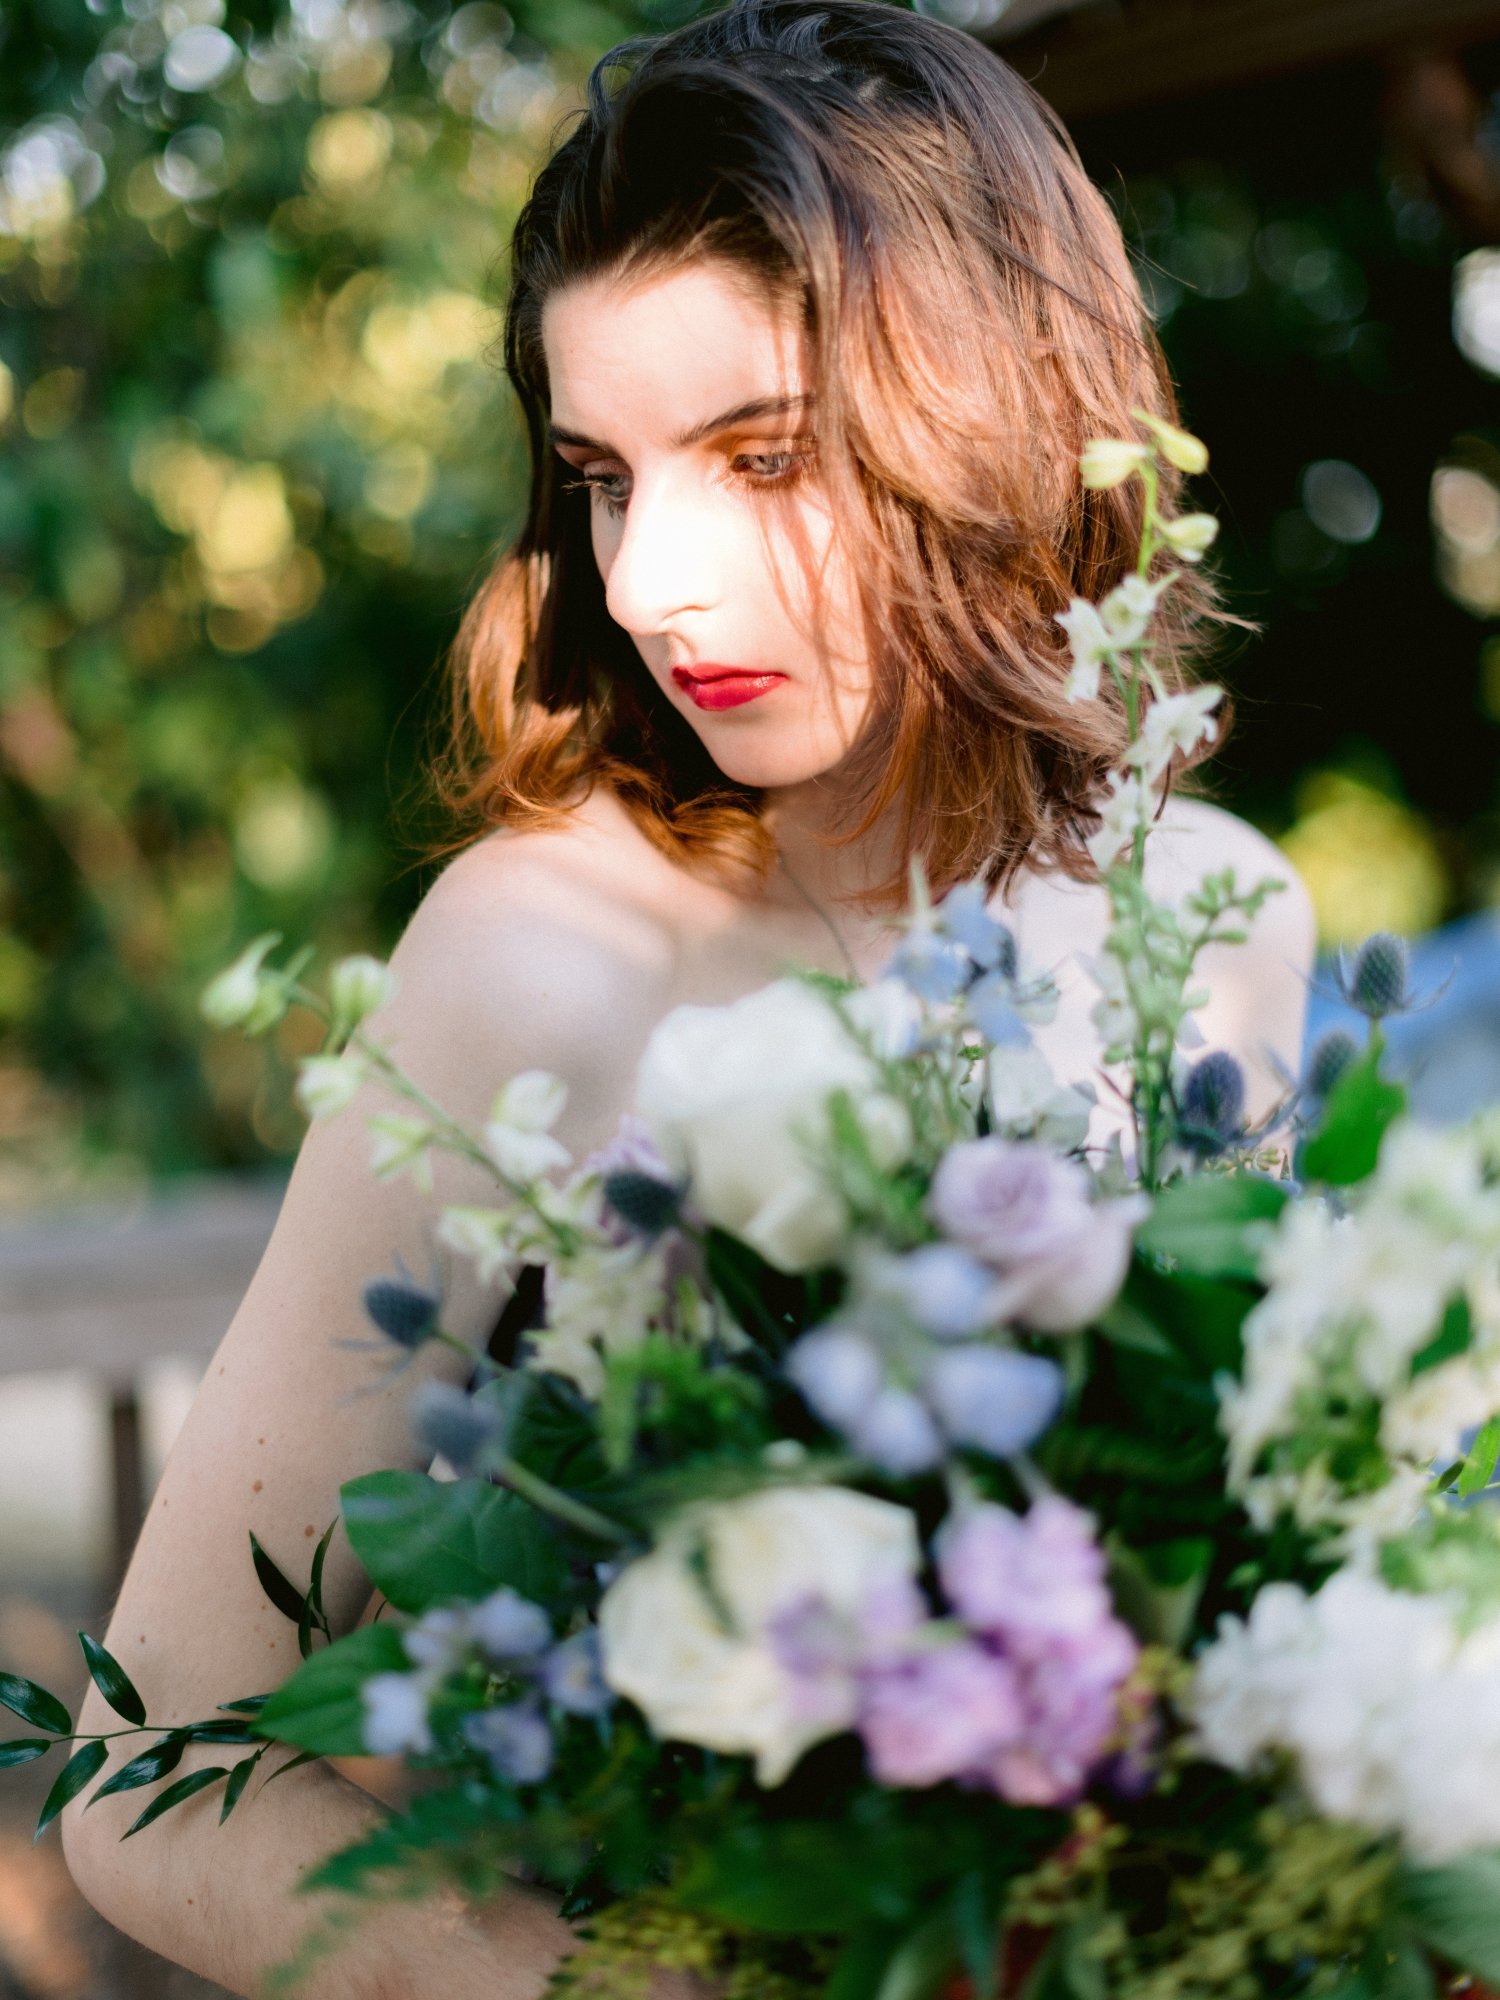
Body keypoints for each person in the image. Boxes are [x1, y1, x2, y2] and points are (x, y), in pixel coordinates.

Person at [61, 3, 1314, 1994]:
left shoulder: (1227, 917)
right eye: (604, 476)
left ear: (997, 413)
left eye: (764, 455)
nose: (649, 580)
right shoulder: (522, 956)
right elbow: (140, 1766)